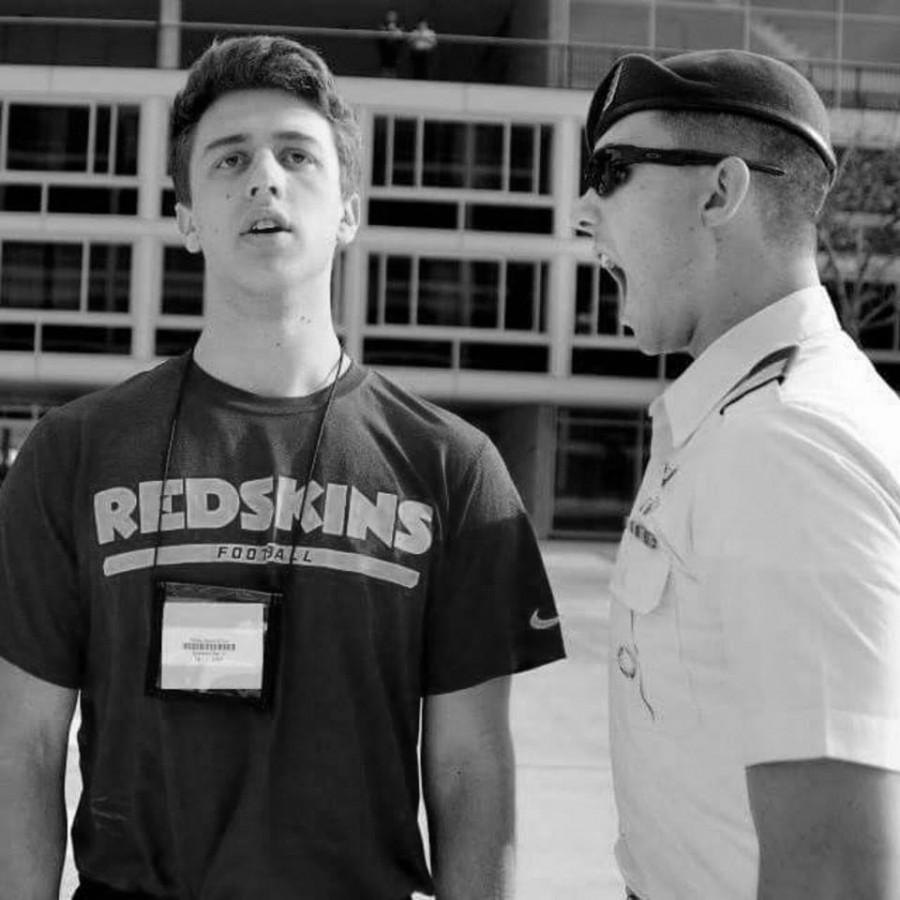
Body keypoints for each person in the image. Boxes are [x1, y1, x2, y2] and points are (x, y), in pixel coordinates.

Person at [0, 35, 565, 900]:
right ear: (186, 218)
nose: (265, 177)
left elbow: (470, 771)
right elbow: (23, 748)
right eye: (229, 160)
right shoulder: (71, 454)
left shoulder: (452, 467)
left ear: (348, 210)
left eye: (298, 155)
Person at [574, 50, 900, 899]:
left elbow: (836, 870)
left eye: (612, 172)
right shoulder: (737, 420)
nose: (583, 210)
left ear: (721, 193)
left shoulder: (787, 447)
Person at [377, 9, 404, 77]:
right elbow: (381, 35)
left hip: (395, 55)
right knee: (385, 73)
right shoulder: (382, 25)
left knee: (393, 73)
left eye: (393, 15)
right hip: (385, 55)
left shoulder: (399, 26)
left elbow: (400, 37)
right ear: (387, 17)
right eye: (390, 15)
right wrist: (388, 29)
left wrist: (394, 29)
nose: (391, 17)